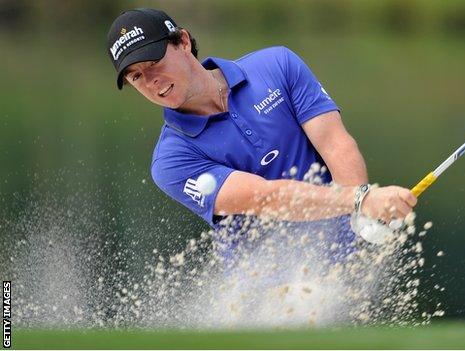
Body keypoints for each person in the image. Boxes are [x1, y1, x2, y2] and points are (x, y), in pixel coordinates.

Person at [106, 8, 417, 257]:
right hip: (264, 288)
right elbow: (264, 198)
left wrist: (360, 222)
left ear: (183, 42)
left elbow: (335, 144)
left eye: (154, 62)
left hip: (343, 251)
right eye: (136, 76)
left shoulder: (276, 65)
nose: (151, 81)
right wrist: (361, 200)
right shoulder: (171, 161)